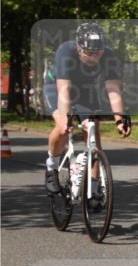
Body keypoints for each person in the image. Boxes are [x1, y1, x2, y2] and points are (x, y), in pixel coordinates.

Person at [44, 23, 131, 196]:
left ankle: (93, 188)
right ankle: (51, 167)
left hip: (84, 91)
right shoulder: (65, 52)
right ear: (78, 47)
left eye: (97, 53)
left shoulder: (108, 55)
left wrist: (119, 119)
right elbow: (64, 90)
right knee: (62, 128)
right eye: (89, 53)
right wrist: (67, 117)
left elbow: (113, 89)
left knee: (92, 130)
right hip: (57, 87)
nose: (93, 57)